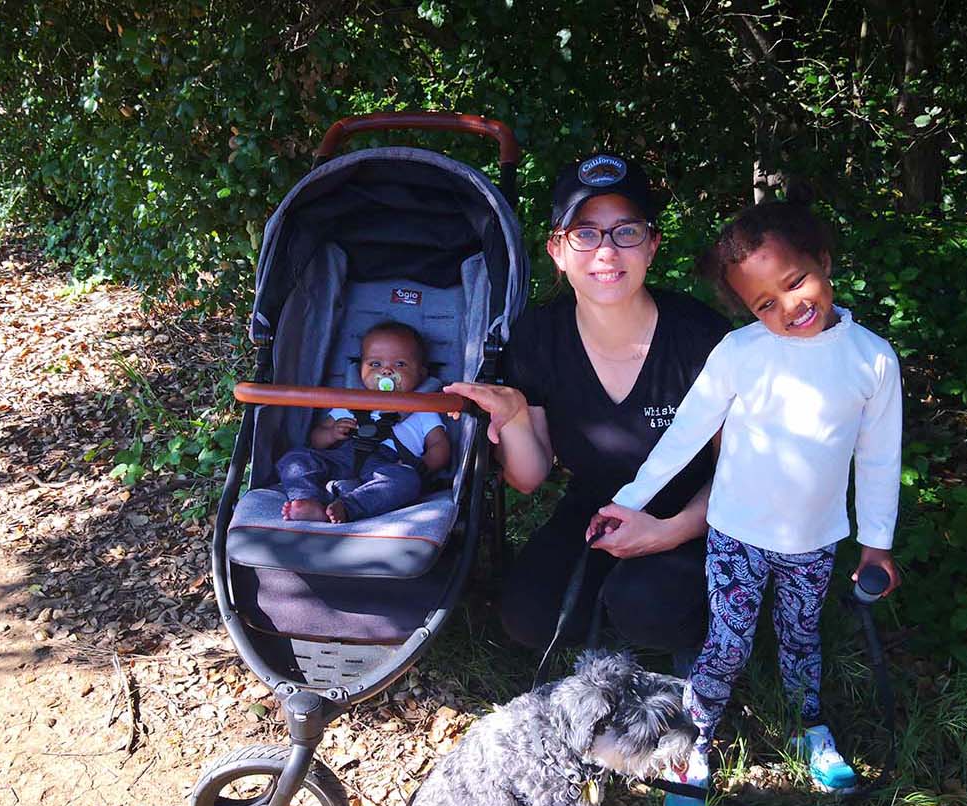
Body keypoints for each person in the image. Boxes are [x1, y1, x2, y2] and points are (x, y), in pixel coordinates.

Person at [593, 200, 903, 806]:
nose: (788, 307)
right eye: (764, 303)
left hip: (814, 542)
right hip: (735, 534)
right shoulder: (741, 353)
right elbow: (686, 432)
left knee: (801, 638)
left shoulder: (872, 360)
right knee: (725, 646)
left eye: (795, 283)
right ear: (747, 311)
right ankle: (692, 741)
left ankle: (807, 724)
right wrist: (630, 498)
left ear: (823, 261)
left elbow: (877, 459)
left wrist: (876, 545)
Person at [445, 153, 731, 657]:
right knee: (529, 618)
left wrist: (671, 531)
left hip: (695, 516)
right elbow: (530, 477)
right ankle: (611, 602)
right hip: (595, 510)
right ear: (557, 249)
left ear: (652, 245)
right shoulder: (537, 337)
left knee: (646, 609)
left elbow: (739, 469)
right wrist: (511, 417)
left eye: (626, 232)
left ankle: (682, 616)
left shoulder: (700, 337)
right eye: (586, 233)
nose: (607, 251)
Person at [277, 321, 450, 523]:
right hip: (341, 458)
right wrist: (332, 433)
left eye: (400, 364)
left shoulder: (422, 408)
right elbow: (316, 439)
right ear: (361, 369)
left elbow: (440, 446)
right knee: (295, 459)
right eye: (375, 364)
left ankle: (348, 507)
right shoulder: (351, 402)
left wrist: (421, 466)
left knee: (407, 481)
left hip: (388, 465)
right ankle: (309, 500)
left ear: (421, 373)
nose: (386, 372)